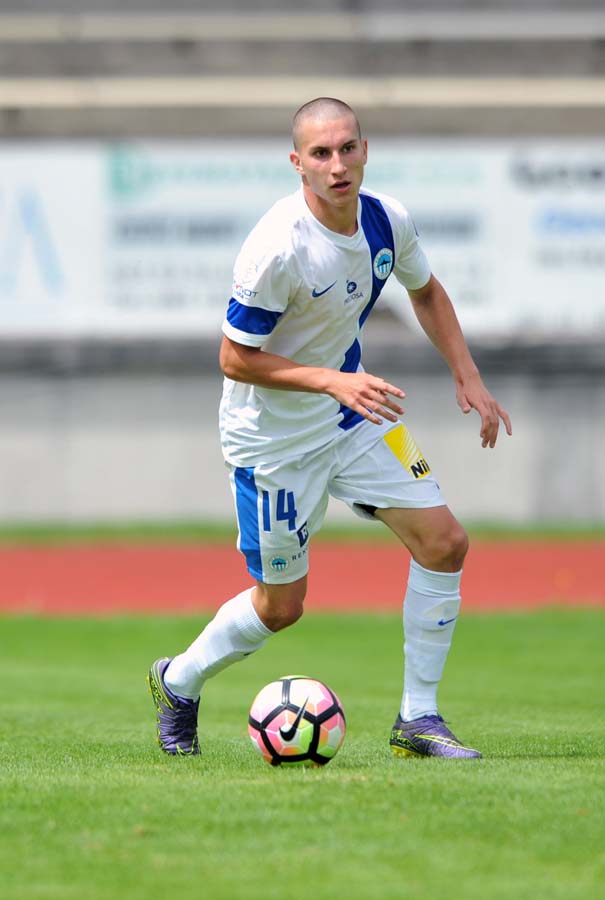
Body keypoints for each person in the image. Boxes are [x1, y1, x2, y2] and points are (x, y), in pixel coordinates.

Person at [148, 97, 512, 759]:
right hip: (273, 442)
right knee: (281, 607)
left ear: (364, 150)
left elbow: (425, 291)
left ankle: (418, 720)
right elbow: (234, 358)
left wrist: (467, 376)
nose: (337, 165)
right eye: (321, 153)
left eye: (347, 148)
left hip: (354, 414)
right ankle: (178, 681)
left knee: (444, 542)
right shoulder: (277, 248)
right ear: (298, 163)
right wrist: (331, 379)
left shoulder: (385, 219)